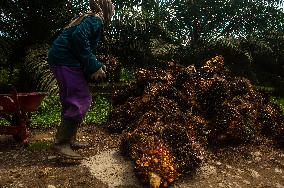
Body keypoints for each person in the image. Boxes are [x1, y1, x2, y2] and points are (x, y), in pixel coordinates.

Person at [48, 0, 115, 160]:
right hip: (66, 61)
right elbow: (79, 38)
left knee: (69, 99)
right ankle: (61, 143)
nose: (111, 14)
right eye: (111, 10)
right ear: (106, 10)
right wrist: (93, 65)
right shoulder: (96, 19)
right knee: (81, 98)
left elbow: (78, 41)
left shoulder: (87, 17)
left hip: (60, 59)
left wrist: (93, 65)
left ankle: (69, 139)